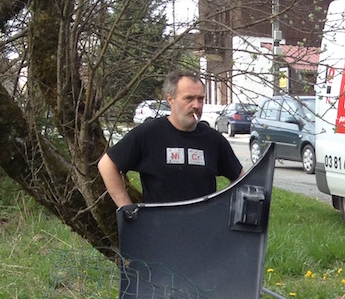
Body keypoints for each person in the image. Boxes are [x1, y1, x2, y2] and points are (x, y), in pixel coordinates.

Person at [98, 71, 243, 207]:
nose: (196, 105)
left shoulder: (213, 139)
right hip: (158, 223)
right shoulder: (148, 134)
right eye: (189, 98)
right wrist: (126, 208)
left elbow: (241, 178)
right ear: (170, 100)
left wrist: (226, 209)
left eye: (200, 99)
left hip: (203, 223)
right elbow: (107, 165)